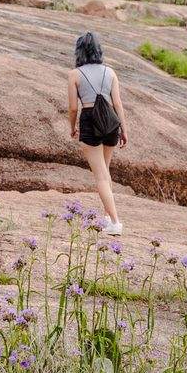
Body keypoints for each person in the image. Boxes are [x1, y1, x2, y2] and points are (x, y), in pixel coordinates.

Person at [65, 31, 128, 233]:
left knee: (100, 176)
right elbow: (117, 103)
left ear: (79, 51)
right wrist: (124, 129)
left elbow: (73, 108)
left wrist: (72, 127)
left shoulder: (75, 74)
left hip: (89, 119)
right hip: (110, 121)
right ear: (98, 50)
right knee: (105, 172)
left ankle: (115, 223)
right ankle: (107, 218)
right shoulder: (110, 72)